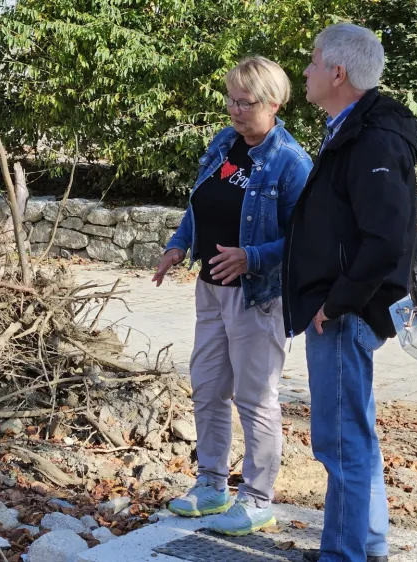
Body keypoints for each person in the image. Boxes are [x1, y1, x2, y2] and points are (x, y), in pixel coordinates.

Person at [153, 56, 312, 536]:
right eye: (231, 100)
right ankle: (211, 485)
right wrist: (178, 245)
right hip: (210, 290)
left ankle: (258, 498)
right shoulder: (224, 143)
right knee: (206, 386)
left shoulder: (291, 162)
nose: (234, 111)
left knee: (255, 397)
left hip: (257, 296)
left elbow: (305, 239)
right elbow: (198, 204)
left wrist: (253, 257)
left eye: (245, 102)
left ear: (274, 103)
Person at [283, 23, 417, 562]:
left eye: (314, 62)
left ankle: (345, 556)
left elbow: (386, 239)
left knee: (340, 442)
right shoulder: (355, 128)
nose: (308, 71)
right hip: (341, 307)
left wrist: (335, 301)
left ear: (338, 72)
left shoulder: (372, 137)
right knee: (355, 436)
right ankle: (369, 544)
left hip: (343, 312)